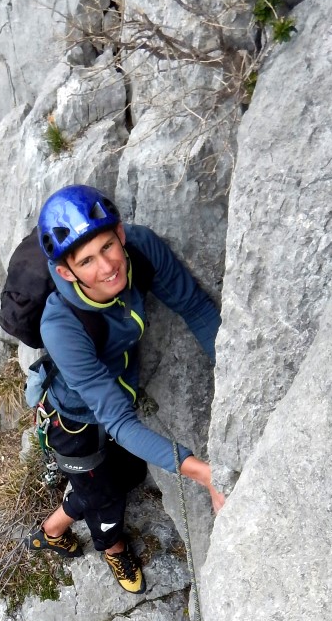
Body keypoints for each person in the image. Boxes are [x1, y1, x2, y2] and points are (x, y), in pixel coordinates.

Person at [26, 184, 224, 594]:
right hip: (74, 420)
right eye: (87, 260)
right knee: (105, 504)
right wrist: (206, 475)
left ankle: (53, 526)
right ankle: (110, 549)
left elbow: (195, 308)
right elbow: (117, 420)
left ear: (120, 233)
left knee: (127, 474)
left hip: (117, 398)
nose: (107, 267)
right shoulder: (61, 326)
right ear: (66, 272)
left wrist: (235, 372)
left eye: (108, 247)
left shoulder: (141, 248)